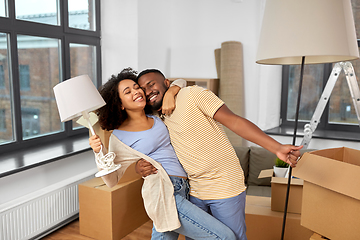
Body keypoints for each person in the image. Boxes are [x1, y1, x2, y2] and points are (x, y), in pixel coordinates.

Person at [135, 69, 303, 240]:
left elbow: (234, 121)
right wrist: (139, 166)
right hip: (193, 190)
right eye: (143, 89)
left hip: (225, 185)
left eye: (151, 84)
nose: (148, 92)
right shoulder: (154, 119)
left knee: (233, 238)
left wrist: (276, 147)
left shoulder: (193, 94)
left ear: (166, 83)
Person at [89, 68, 236, 240]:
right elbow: (111, 179)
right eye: (127, 92)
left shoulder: (157, 115)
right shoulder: (120, 136)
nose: (136, 92)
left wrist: (171, 92)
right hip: (164, 190)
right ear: (120, 104)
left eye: (137, 87)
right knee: (225, 237)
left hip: (187, 187)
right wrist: (99, 152)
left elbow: (180, 81)